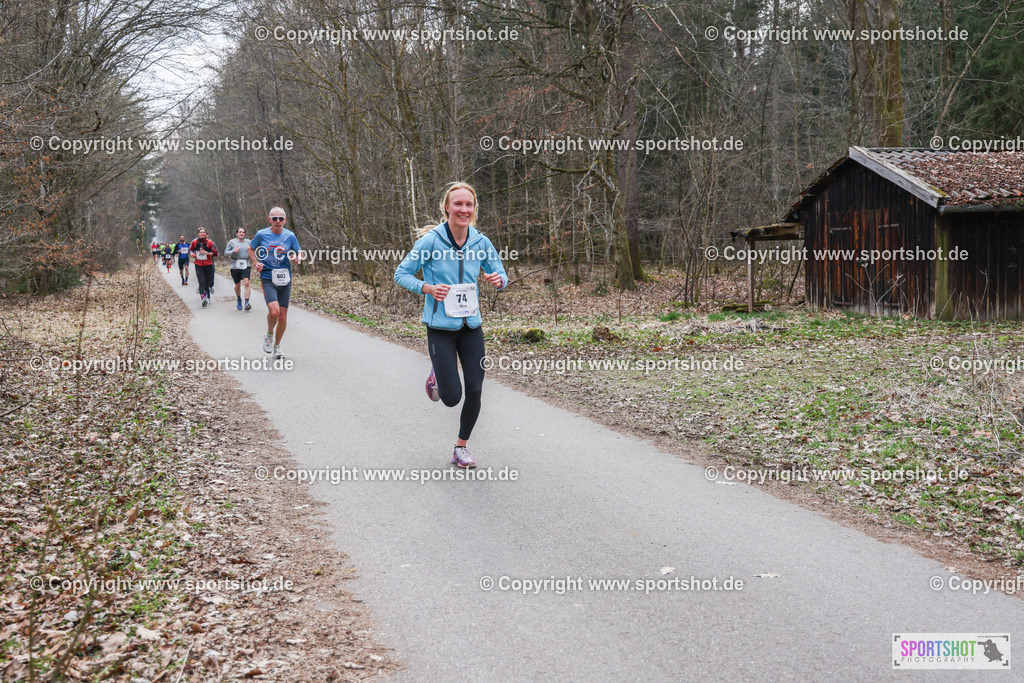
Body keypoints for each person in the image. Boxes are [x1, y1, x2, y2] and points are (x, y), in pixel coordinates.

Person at [394, 182, 508, 469]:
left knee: (477, 388)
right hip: (440, 329)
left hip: (472, 327)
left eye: (468, 205)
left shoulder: (481, 241)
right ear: (447, 207)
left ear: (474, 209)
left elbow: (500, 272)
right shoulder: (431, 241)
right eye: (458, 204)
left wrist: (498, 281)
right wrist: (427, 288)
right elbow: (401, 273)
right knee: (451, 398)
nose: (463, 209)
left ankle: (461, 447)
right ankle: (437, 377)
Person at [249, 207, 300, 358]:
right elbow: (251, 248)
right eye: (274, 218)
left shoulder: (290, 235)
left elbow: (298, 251)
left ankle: (277, 347)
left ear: (285, 220)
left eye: (281, 219)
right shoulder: (261, 234)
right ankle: (269, 333)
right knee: (274, 311)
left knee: (283, 316)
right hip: (268, 277)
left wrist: (298, 258)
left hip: (285, 278)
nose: (278, 221)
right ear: (269, 220)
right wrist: (255, 263)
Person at [225, 227, 252, 311]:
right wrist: (233, 250)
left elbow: (253, 251)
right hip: (235, 265)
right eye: (240, 232)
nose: (241, 233)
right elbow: (225, 253)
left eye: (243, 232)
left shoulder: (249, 242)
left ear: (244, 234)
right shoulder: (232, 242)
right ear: (237, 234)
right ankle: (239, 298)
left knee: (246, 282)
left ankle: (247, 302)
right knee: (238, 285)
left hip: (246, 264)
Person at [190, 228, 218, 307]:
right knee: (201, 281)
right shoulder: (194, 242)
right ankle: (203, 298)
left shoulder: (209, 242)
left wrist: (207, 253)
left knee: (207, 282)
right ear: (198, 234)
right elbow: (191, 250)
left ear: (206, 234)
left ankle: (208, 297)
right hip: (198, 264)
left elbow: (216, 253)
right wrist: (192, 254)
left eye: (203, 232)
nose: (202, 233)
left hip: (208, 264)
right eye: (200, 232)